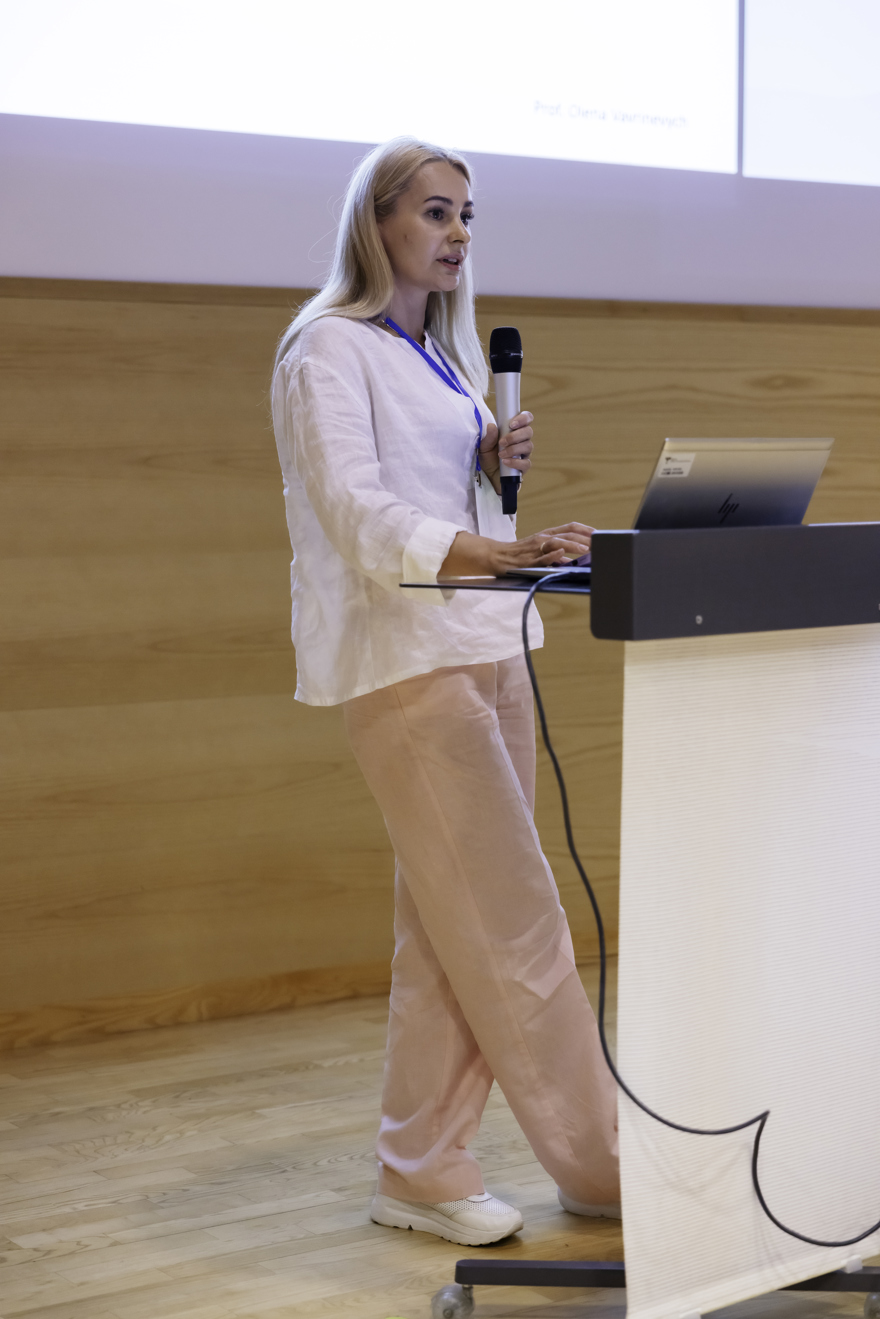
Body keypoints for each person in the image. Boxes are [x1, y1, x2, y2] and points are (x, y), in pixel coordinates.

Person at [271, 137, 619, 1247]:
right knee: (512, 923)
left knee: (447, 933)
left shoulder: (443, 361)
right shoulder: (326, 348)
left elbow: (453, 513)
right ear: (376, 226)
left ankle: (418, 1165)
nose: (458, 231)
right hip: (406, 660)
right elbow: (358, 515)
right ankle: (604, 1164)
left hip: (487, 643)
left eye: (468, 212)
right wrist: (487, 544)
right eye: (434, 211)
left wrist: (502, 484)